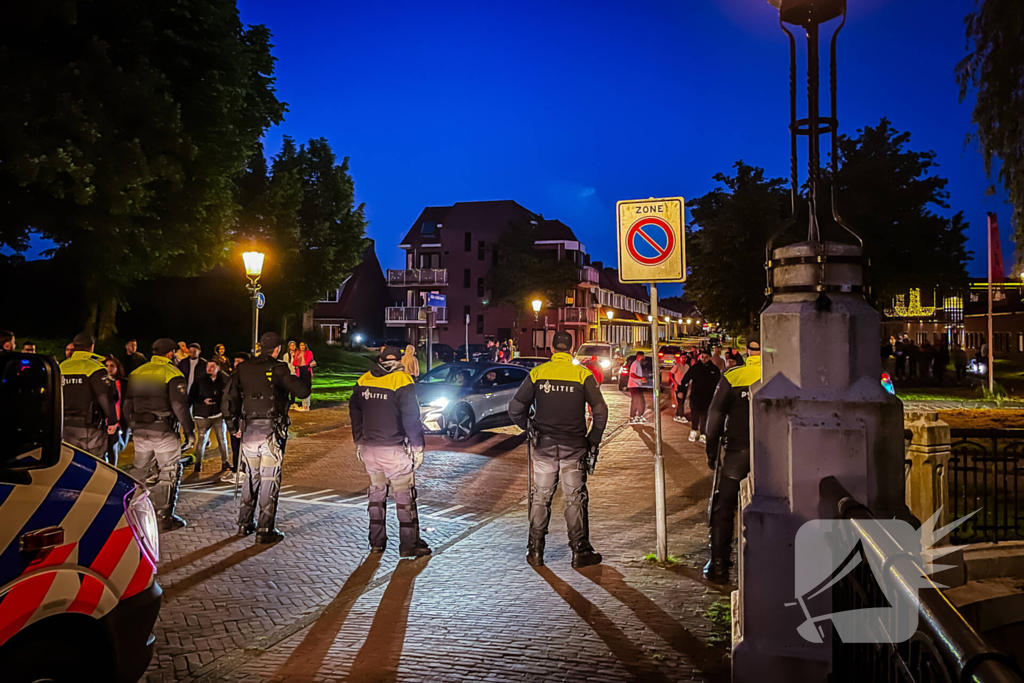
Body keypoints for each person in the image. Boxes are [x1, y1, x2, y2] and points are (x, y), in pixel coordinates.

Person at [508, 330, 609, 568]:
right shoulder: (582, 375)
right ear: (571, 350)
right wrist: (593, 439)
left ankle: (535, 551)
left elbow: (515, 408)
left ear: (552, 349)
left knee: (540, 497)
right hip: (574, 446)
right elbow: (601, 410)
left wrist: (528, 427)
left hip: (543, 446)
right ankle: (580, 551)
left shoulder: (538, 373)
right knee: (574, 498)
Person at [222, 331, 311, 544]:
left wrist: (233, 426)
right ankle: (265, 530)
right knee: (269, 480)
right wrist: (304, 371)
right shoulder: (278, 368)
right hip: (271, 431)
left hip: (249, 430)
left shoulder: (242, 368)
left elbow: (228, 399)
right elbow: (302, 391)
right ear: (277, 349)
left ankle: (244, 524)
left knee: (250, 477)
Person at [348, 346, 432, 558]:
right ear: (400, 360)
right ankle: (409, 544)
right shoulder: (402, 381)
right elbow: (411, 418)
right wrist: (417, 446)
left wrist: (359, 438)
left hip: (370, 449)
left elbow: (354, 411)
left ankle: (376, 542)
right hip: (394, 449)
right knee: (404, 497)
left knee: (377, 495)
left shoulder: (364, 380)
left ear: (380, 359)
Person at [703, 334, 761, 583]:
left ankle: (719, 566)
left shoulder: (733, 376)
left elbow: (714, 418)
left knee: (724, 506)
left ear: (747, 351)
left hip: (739, 452)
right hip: (774, 455)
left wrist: (712, 451)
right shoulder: (785, 374)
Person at [124, 338, 196, 531]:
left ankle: (131, 511)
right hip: (163, 430)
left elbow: (127, 403)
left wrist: (131, 425)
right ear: (170, 353)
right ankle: (163, 517)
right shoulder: (171, 372)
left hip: (140, 430)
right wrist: (189, 431)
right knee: (168, 472)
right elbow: (179, 406)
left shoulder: (137, 372)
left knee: (140, 470)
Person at [60, 332, 118, 456]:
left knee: (70, 460)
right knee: (95, 462)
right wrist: (112, 419)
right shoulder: (95, 368)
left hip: (65, 425)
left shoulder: (62, 366)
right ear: (91, 347)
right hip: (89, 426)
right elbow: (104, 396)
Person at [189, 360, 231, 475]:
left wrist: (217, 401)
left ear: (218, 368)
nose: (209, 368)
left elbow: (226, 396)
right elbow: (192, 397)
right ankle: (198, 464)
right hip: (202, 415)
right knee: (201, 440)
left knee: (222, 439)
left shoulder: (224, 380)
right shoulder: (200, 380)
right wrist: (202, 401)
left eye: (212, 366)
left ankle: (225, 462)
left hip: (217, 414)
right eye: (208, 366)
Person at [679, 348, 721, 443]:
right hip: (696, 396)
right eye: (702, 357)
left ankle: (703, 433)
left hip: (709, 397)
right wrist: (681, 390)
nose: (704, 359)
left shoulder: (714, 369)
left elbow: (719, 383)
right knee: (695, 414)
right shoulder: (695, 368)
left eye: (706, 357)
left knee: (705, 415)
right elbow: (685, 379)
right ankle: (694, 430)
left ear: (710, 357)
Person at [221, 351, 251, 484]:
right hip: (236, 416)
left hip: (243, 417)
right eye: (235, 361)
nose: (236, 364)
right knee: (236, 446)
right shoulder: (233, 377)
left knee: (243, 446)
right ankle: (237, 470)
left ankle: (242, 471)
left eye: (240, 362)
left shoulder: (245, 378)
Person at [103, 356, 129, 465]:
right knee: (109, 447)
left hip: (121, 420)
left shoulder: (124, 383)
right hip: (106, 421)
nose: (109, 368)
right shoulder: (100, 382)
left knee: (119, 446)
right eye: (106, 366)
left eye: (112, 366)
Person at [294, 341, 316, 411]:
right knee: (302, 387)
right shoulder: (297, 353)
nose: (302, 347)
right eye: (301, 345)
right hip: (300, 370)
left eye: (303, 345)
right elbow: (294, 362)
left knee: (306, 386)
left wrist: (301, 358)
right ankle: (304, 404)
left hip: (306, 370)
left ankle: (306, 405)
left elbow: (307, 362)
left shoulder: (309, 353)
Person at [627, 351, 647, 423]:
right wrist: (640, 378)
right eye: (643, 356)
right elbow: (632, 374)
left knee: (635, 401)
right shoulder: (635, 364)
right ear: (640, 356)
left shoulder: (637, 364)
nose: (644, 357)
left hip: (635, 385)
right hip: (634, 385)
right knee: (640, 401)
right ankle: (639, 416)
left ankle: (633, 416)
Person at [670, 355, 689, 424]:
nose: (684, 359)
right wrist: (674, 383)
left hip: (685, 386)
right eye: (682, 358)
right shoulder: (677, 366)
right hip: (678, 385)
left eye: (685, 358)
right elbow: (670, 374)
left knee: (682, 401)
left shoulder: (687, 366)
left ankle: (678, 414)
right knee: (680, 401)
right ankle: (681, 415)